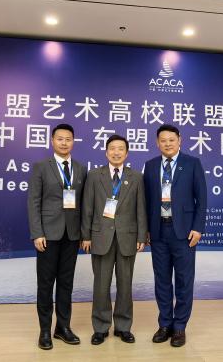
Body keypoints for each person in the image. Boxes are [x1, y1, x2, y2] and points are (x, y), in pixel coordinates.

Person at [143, 124, 207, 347]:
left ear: (179, 140)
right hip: (158, 231)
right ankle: (165, 324)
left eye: (171, 139)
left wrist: (198, 228)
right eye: (163, 140)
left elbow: (202, 199)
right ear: (157, 142)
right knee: (161, 280)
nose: (167, 144)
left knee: (183, 281)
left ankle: (180, 327)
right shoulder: (151, 165)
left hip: (184, 232)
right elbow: (146, 201)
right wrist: (146, 230)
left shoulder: (192, 163)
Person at [81, 134, 148, 345]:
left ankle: (123, 327)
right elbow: (87, 207)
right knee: (101, 285)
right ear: (106, 152)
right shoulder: (94, 176)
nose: (116, 152)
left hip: (127, 237)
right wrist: (86, 235)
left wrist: (141, 236)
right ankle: (100, 328)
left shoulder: (136, 177)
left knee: (125, 285)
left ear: (127, 153)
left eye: (120, 149)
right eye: (112, 148)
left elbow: (141, 209)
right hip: (100, 237)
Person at [27, 123, 87, 350]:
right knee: (45, 284)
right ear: (52, 141)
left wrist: (83, 233)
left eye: (68, 139)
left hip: (71, 235)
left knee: (66, 283)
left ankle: (63, 327)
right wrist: (37, 233)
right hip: (48, 235)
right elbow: (33, 202)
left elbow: (84, 204)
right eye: (60, 139)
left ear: (73, 142)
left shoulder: (80, 169)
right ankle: (44, 330)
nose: (64, 143)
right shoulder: (41, 167)